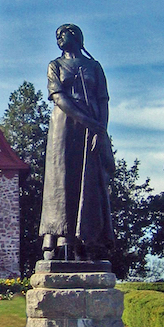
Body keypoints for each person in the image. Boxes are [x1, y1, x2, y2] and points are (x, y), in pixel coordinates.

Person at [39, 23, 116, 262]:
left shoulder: (94, 66)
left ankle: (86, 240)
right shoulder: (55, 65)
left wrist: (100, 130)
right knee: (60, 181)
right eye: (57, 36)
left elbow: (103, 100)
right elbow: (59, 97)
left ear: (75, 36)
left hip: (91, 129)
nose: (58, 38)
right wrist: (90, 122)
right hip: (64, 125)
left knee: (89, 181)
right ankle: (56, 237)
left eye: (62, 34)